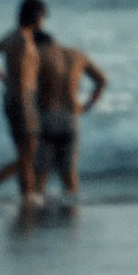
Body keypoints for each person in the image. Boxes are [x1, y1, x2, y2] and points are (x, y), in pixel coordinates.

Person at [0, 0, 47, 211]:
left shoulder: (11, 37)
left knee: (24, 152)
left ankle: (28, 195)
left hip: (10, 97)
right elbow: (27, 75)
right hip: (24, 99)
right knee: (29, 154)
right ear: (36, 17)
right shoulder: (25, 42)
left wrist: (2, 76)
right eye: (42, 17)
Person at [27, 17, 107, 204]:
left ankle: (39, 220)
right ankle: (71, 222)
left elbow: (26, 87)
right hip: (71, 119)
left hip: (46, 116)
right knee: (70, 177)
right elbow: (102, 81)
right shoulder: (77, 54)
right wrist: (87, 105)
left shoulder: (37, 54)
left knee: (40, 176)